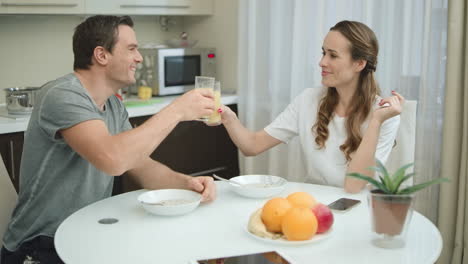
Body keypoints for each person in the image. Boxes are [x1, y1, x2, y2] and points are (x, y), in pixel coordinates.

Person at [1, 15, 216, 264]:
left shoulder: (113, 103)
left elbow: (139, 165)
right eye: (132, 49)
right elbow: (113, 159)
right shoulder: (61, 95)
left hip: (87, 233)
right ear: (101, 55)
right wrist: (177, 110)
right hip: (40, 245)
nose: (139, 58)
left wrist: (186, 183)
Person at [218, 20, 404, 193]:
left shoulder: (384, 116)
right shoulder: (308, 100)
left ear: (359, 64)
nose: (322, 62)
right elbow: (253, 146)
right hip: (313, 206)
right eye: (324, 53)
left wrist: (376, 122)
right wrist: (228, 117)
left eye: (333, 55)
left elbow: (354, 187)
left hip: (359, 210)